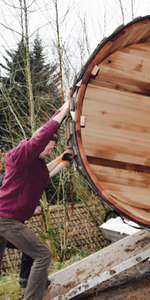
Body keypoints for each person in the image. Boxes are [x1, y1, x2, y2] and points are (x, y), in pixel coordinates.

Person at [0, 87, 73, 300]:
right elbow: (41, 137)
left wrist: (61, 160)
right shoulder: (20, 155)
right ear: (38, 144)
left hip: (9, 221)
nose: (49, 151)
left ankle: (27, 285)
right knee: (43, 255)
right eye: (48, 149)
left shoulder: (36, 164)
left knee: (32, 250)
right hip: (6, 220)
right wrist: (66, 109)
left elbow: (45, 175)